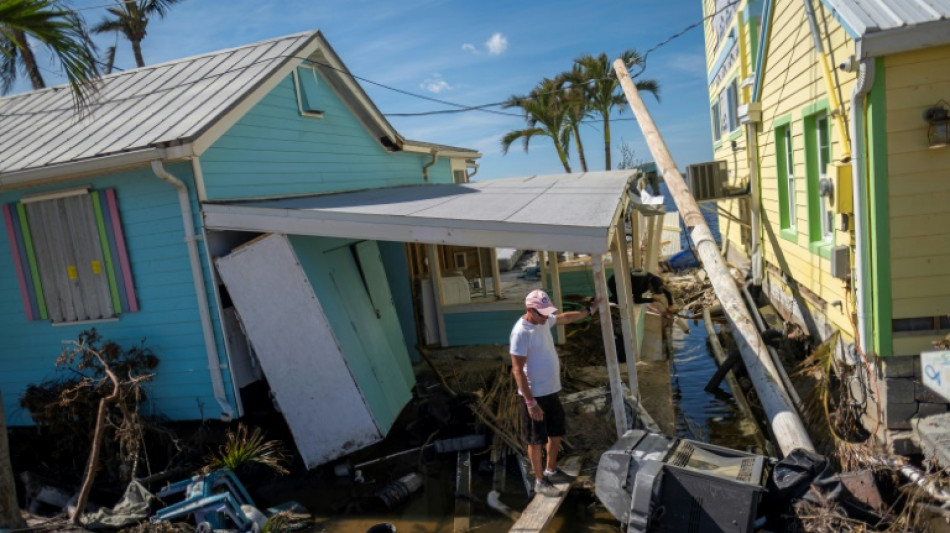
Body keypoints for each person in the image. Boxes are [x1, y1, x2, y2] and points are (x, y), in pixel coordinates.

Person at [510, 288, 599, 497]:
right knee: (536, 440)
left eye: (547, 312)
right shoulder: (521, 332)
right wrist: (530, 403)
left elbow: (564, 318)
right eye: (542, 313)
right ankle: (540, 480)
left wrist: (589, 310)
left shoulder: (543, 321)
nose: (546, 317)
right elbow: (517, 370)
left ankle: (551, 469)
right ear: (530, 310)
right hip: (534, 395)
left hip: (551, 390)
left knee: (556, 432)